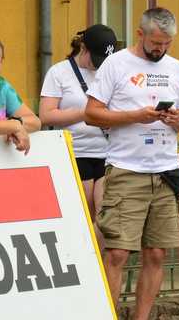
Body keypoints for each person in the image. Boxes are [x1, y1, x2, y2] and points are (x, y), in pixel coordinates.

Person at [84, 7, 179, 320]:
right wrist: (136, 115)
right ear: (140, 34)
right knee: (118, 252)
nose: (160, 49)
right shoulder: (116, 64)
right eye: (155, 42)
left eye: (167, 44)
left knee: (157, 253)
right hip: (126, 170)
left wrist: (177, 119)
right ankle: (108, 314)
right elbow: (91, 113)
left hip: (166, 173)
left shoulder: (176, 68)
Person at [39, 24, 118, 248]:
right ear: (83, 48)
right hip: (75, 152)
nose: (99, 64)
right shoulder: (59, 72)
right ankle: (81, 262)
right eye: (96, 57)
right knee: (83, 215)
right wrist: (87, 113)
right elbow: (46, 115)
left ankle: (98, 266)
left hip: (106, 152)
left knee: (106, 218)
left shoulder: (108, 70)